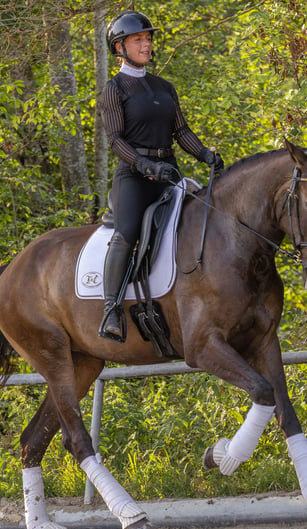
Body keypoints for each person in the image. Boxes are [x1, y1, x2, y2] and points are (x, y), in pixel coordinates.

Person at [98, 10, 224, 341]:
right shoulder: (114, 89)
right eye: (139, 39)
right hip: (135, 178)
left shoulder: (164, 87)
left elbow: (180, 130)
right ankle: (111, 309)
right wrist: (144, 165)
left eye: (148, 39)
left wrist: (205, 155)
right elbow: (115, 141)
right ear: (119, 47)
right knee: (125, 234)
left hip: (169, 173)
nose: (147, 44)